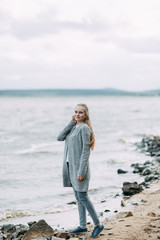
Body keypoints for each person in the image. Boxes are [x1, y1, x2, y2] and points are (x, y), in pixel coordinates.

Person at [57, 103, 104, 238]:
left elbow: (85, 151)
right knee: (78, 197)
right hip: (70, 167)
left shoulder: (84, 129)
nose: (77, 114)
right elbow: (59, 137)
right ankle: (82, 226)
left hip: (80, 169)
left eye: (80, 112)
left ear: (85, 115)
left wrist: (81, 171)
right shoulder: (74, 127)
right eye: (76, 112)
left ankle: (98, 225)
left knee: (83, 196)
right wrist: (71, 123)